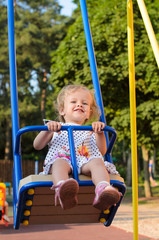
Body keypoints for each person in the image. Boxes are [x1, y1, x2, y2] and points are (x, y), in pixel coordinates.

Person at [33, 85, 121, 211]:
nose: (79, 105)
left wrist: (100, 133)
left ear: (89, 113)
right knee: (58, 163)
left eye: (84, 103)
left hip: (85, 162)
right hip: (64, 160)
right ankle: (63, 188)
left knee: (97, 161)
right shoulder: (56, 127)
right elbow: (37, 145)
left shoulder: (91, 130)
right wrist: (47, 130)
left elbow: (102, 151)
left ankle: (103, 189)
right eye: (74, 102)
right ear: (62, 110)